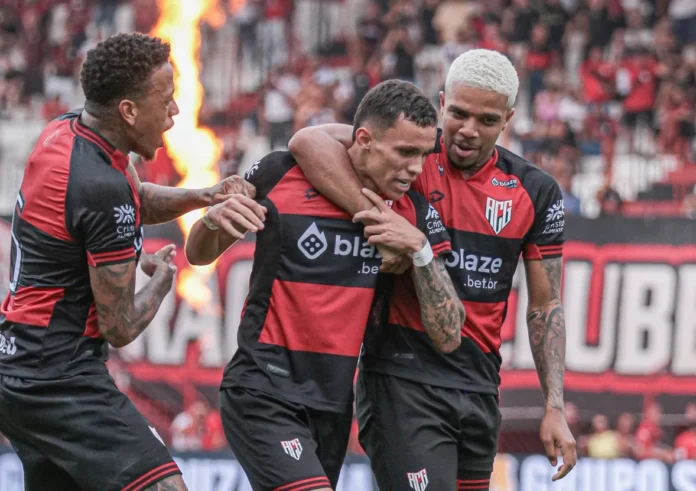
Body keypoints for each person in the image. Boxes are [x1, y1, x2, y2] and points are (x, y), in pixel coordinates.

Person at [288, 49, 578, 490]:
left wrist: (554, 406)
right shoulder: (410, 154)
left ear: (508, 119)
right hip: (403, 378)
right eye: (458, 113)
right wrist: (375, 214)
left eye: (486, 120)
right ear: (442, 103)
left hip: (479, 385)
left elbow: (545, 307)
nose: (468, 129)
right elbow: (307, 141)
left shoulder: (535, 191)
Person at [185, 79, 465, 491]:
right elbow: (197, 254)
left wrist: (420, 251)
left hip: (333, 403)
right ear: (364, 139)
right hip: (263, 387)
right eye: (405, 152)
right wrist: (212, 221)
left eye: (423, 154)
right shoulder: (282, 172)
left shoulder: (410, 212)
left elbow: (450, 333)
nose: (415, 169)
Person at [0, 33, 252, 491]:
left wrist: (204, 195)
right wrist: (163, 279)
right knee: (165, 486)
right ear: (129, 111)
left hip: (19, 365)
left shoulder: (65, 131)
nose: (175, 111)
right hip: (58, 377)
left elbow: (138, 199)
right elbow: (120, 327)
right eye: (166, 99)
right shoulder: (100, 184)